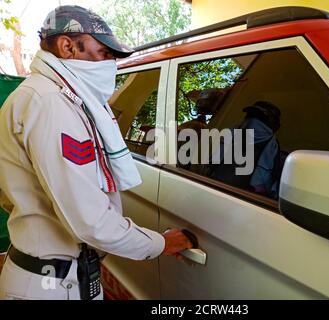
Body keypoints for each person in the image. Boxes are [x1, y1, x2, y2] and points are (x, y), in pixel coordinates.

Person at [0, 5, 193, 300]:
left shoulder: (46, 96)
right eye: (104, 52)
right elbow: (90, 221)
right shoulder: (51, 103)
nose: (110, 64)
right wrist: (160, 244)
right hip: (51, 285)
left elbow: (9, 196)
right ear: (67, 46)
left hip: (58, 275)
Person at [209, 101, 283, 198]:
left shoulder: (276, 158)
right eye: (249, 116)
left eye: (261, 119)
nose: (252, 122)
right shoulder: (226, 139)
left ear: (274, 127)